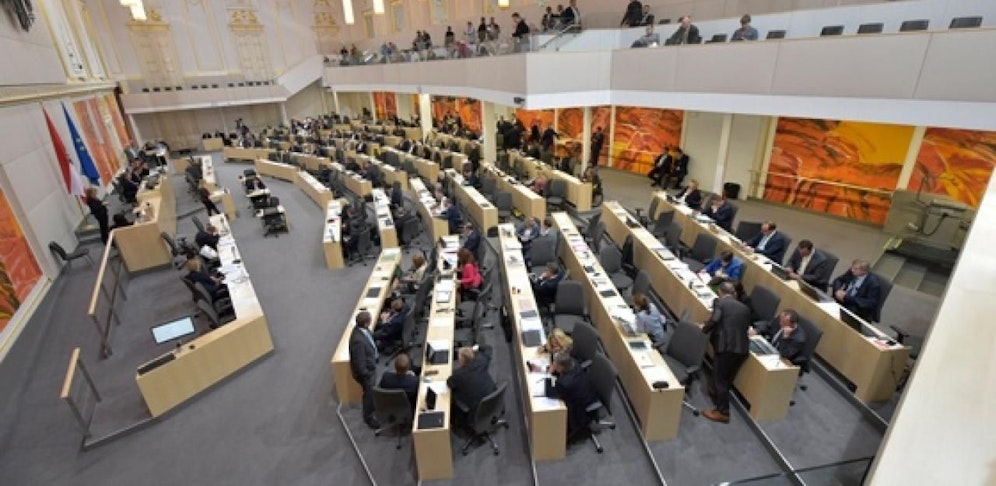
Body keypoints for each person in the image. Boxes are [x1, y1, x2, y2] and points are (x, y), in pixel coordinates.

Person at [701, 282, 751, 423]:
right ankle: (717, 394)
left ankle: (723, 412)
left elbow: (715, 319)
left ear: (720, 292)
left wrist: (704, 329)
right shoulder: (745, 308)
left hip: (726, 347)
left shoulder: (720, 302)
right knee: (727, 378)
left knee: (720, 379)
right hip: (742, 348)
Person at [547, 351, 599, 442]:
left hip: (580, 410)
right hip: (590, 394)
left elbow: (550, 393)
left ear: (561, 366)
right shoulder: (574, 363)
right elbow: (561, 373)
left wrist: (548, 374)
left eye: (555, 364)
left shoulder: (565, 383)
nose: (553, 365)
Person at [447, 345, 497, 426]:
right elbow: (488, 348)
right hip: (494, 402)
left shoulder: (458, 375)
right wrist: (476, 348)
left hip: (478, 412)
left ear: (461, 360)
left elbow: (449, 383)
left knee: (454, 396)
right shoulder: (481, 362)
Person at [349, 311, 380, 428]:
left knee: (371, 392)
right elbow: (359, 363)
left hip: (371, 366)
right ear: (366, 323)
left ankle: (373, 405)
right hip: (367, 374)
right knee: (368, 394)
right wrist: (367, 375)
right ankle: (368, 417)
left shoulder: (363, 330)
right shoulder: (358, 341)